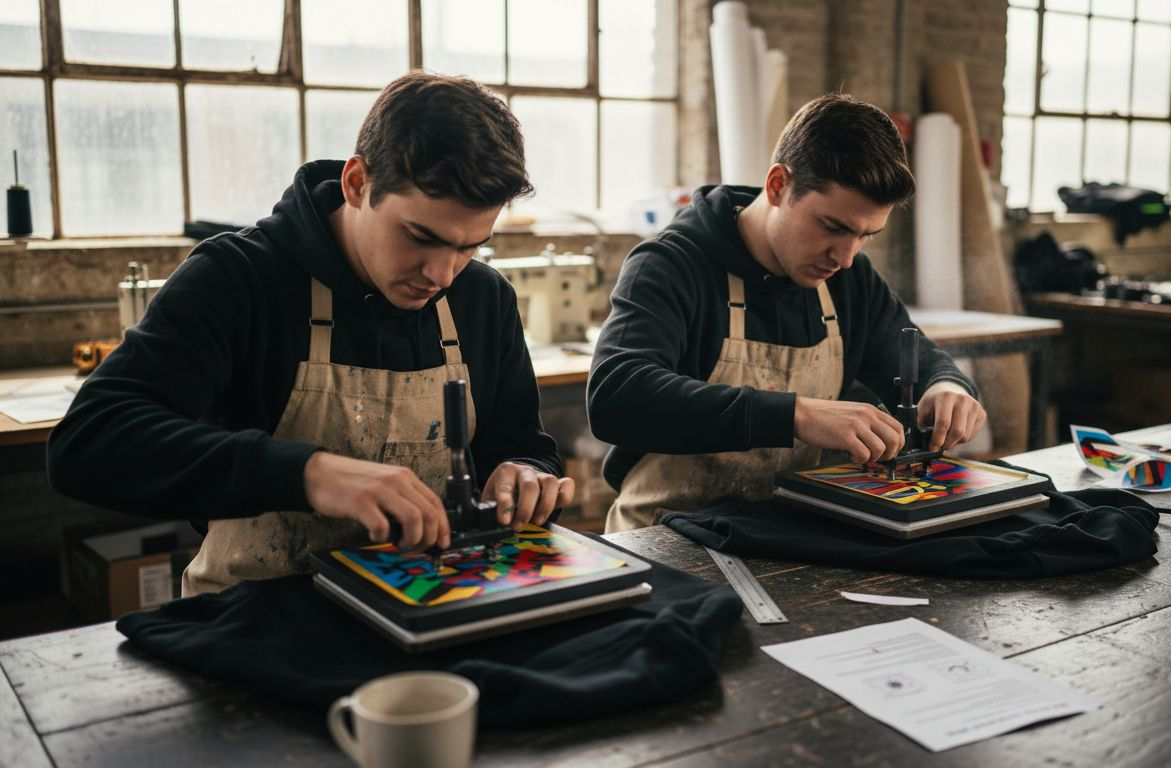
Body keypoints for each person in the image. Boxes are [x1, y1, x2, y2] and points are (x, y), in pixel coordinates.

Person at [48, 71, 574, 596]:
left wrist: (524, 471)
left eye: (468, 247)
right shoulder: (237, 278)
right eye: (420, 236)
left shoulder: (483, 299)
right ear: (356, 183)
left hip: (432, 601)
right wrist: (311, 475)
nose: (441, 275)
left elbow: (523, 444)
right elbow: (90, 442)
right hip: (259, 614)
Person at [588, 93, 986, 532]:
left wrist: (947, 386)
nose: (845, 256)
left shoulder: (849, 279)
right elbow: (616, 395)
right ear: (778, 185)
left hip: (781, 536)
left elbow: (915, 357)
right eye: (833, 227)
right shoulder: (672, 264)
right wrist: (796, 415)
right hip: (668, 536)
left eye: (866, 235)